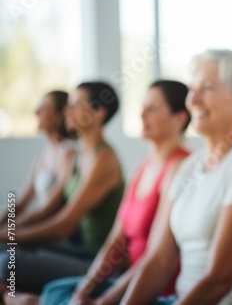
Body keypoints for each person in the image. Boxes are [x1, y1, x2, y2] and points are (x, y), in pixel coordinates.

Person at [120, 49, 232, 304]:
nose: (192, 100)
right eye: (192, 89)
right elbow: (158, 260)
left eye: (207, 88)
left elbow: (219, 280)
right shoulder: (188, 165)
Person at [39, 80, 191, 304]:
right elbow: (116, 239)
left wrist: (105, 301)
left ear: (180, 118)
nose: (141, 115)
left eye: (152, 109)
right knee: (53, 292)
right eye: (142, 107)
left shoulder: (182, 167)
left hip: (151, 291)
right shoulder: (144, 166)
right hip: (123, 282)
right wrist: (84, 290)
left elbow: (156, 260)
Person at [0, 81, 124, 302]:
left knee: (6, 263)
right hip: (78, 248)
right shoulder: (79, 155)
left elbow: (64, 226)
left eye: (76, 104)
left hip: (96, 261)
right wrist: (9, 232)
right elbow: (50, 210)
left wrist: (8, 236)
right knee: (5, 253)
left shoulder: (104, 159)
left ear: (98, 112)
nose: (67, 110)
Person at [0, 91, 75, 226]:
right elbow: (22, 202)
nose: (36, 112)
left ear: (59, 116)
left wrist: (10, 231)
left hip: (52, 232)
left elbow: (49, 209)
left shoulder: (68, 153)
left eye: (43, 109)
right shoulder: (43, 154)